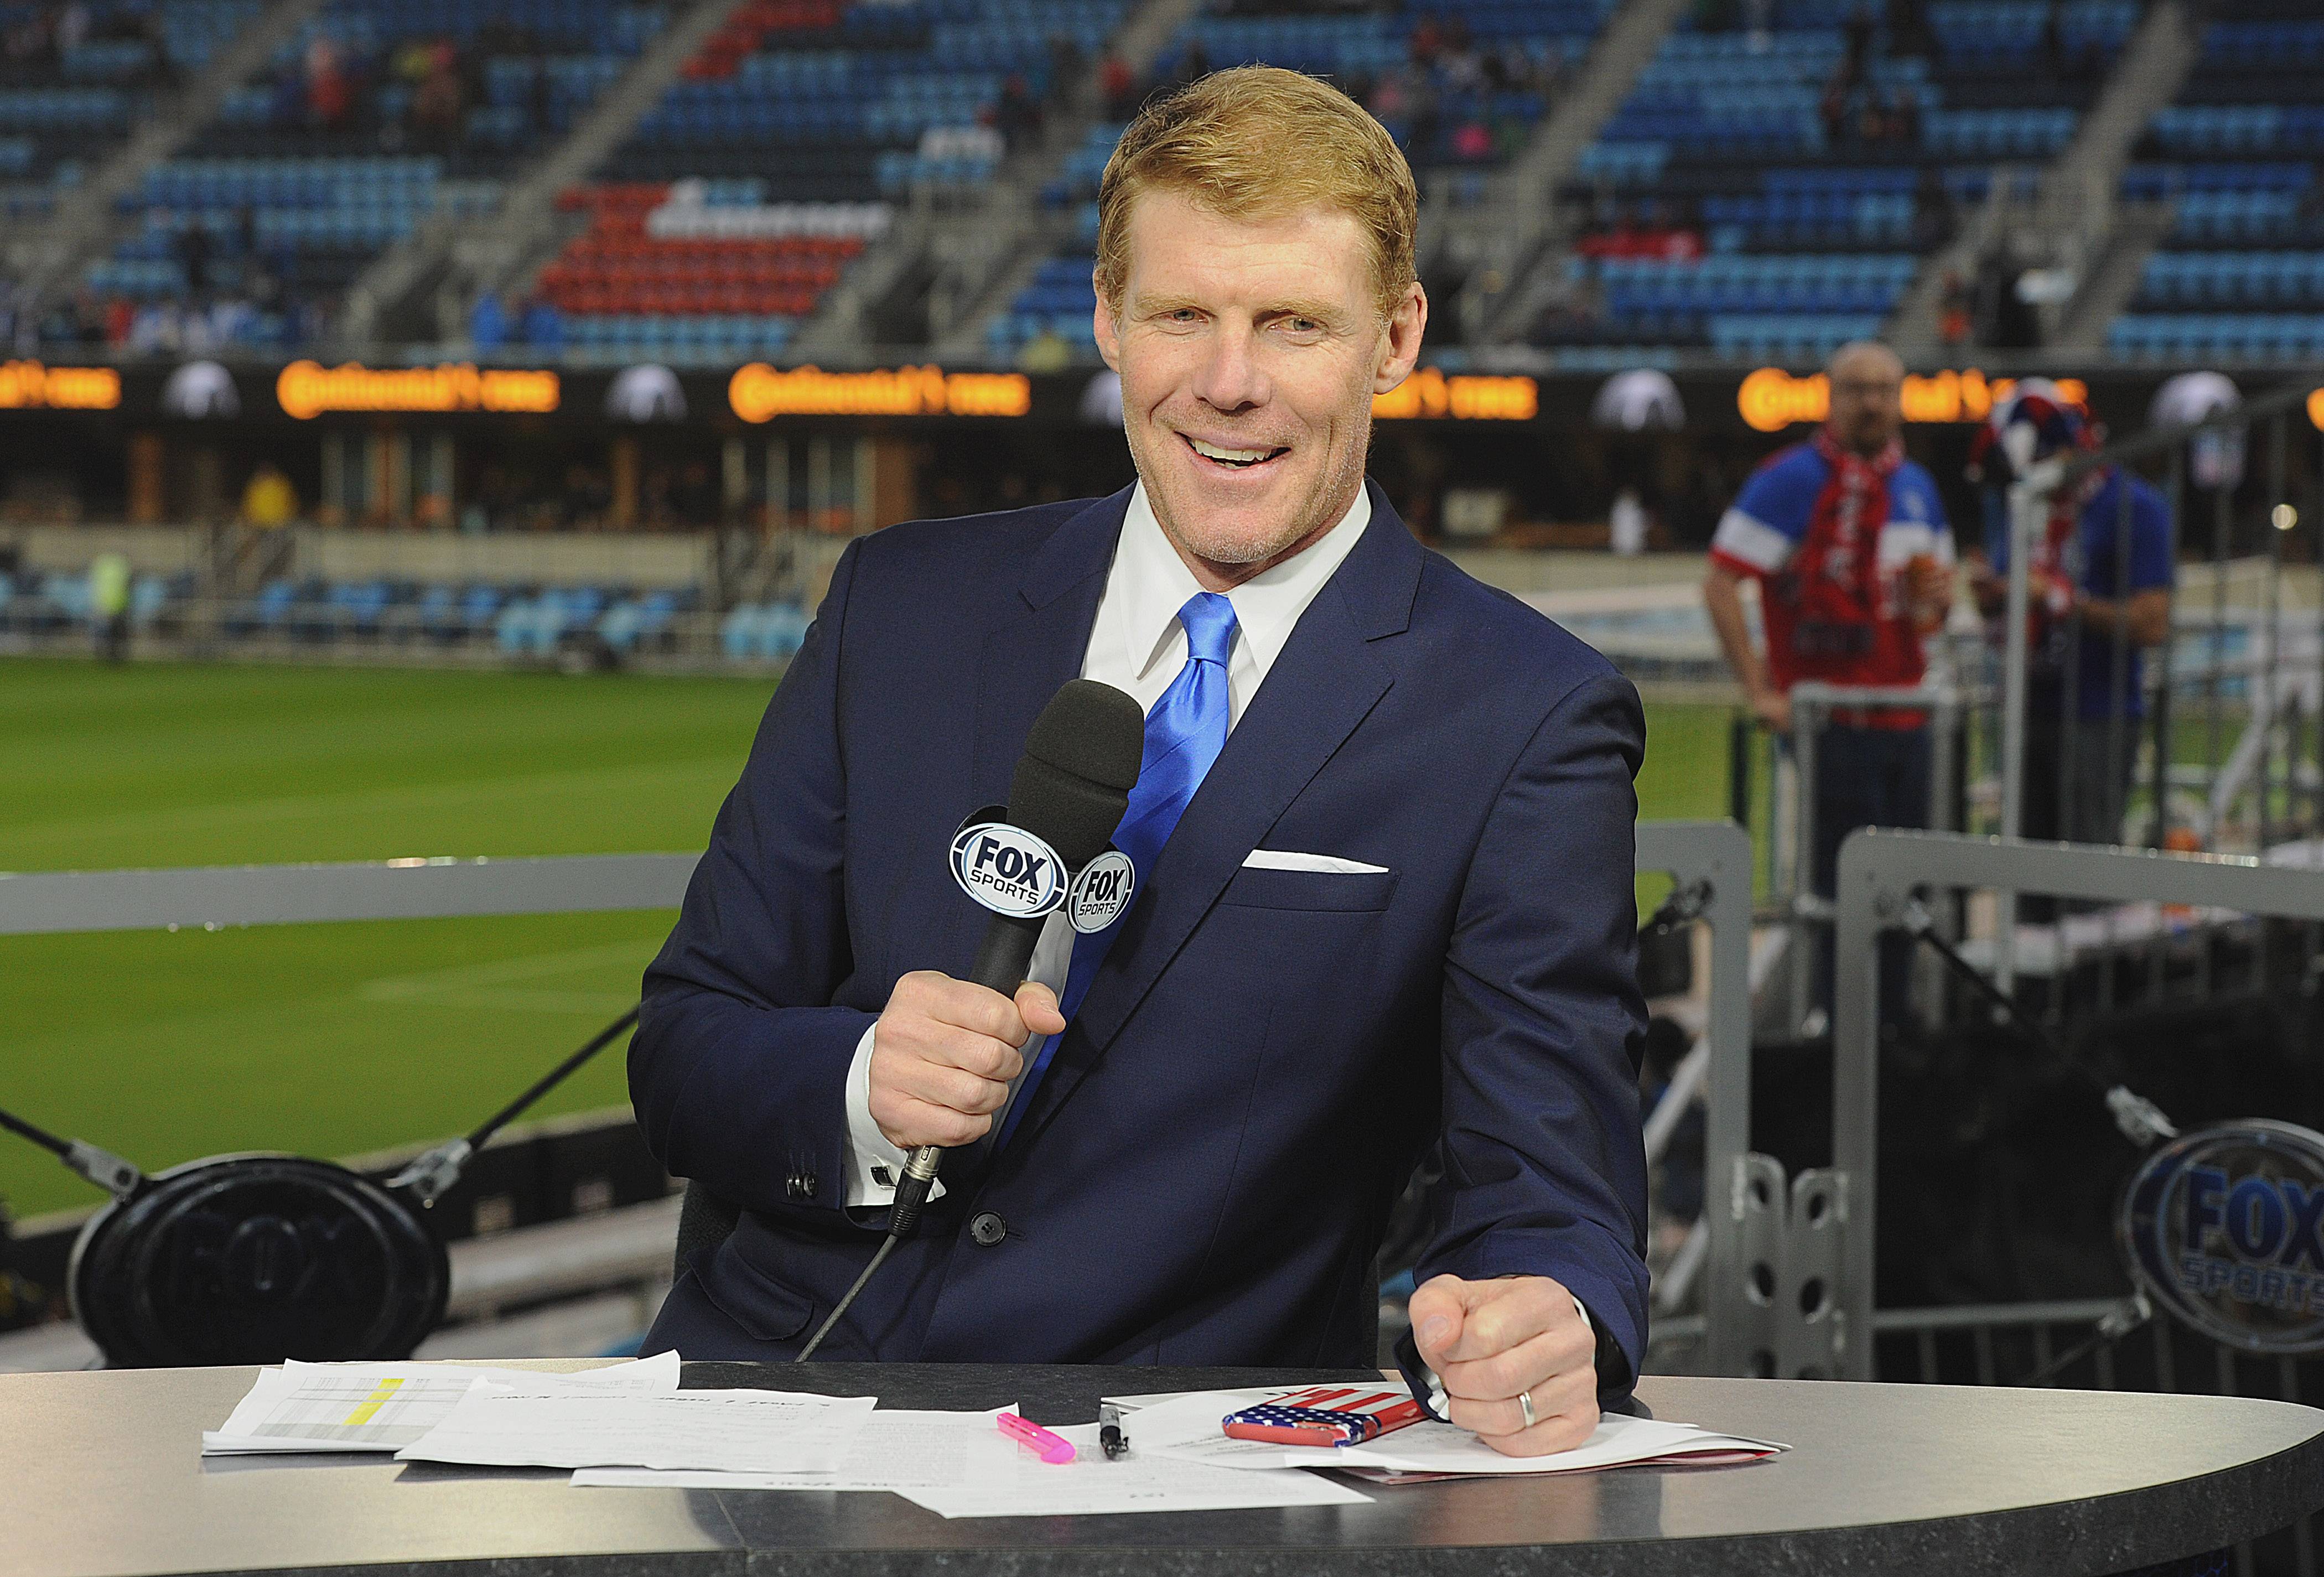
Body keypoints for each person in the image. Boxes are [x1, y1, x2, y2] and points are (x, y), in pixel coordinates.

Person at [631, 66, 1649, 1458]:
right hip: (760, 1415)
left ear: (1397, 338)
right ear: (1109, 318)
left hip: (1168, 1468)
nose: (1231, 385)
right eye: (1184, 316)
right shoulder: (899, 606)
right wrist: (863, 1081)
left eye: (1294, 324)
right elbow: (688, 1045)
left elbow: (1547, 1170)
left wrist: (1552, 1306)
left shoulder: (1526, 713)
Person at [1702, 340, 1953, 911]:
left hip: (1909, 718)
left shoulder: (1918, 487)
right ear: (1830, 398)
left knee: (1906, 896)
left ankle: (1892, 1004)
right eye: (1857, 390)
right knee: (1837, 898)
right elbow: (1719, 584)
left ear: (1902, 400)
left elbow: (1931, 616)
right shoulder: (1789, 479)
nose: (1872, 404)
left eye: (1884, 391)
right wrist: (1761, 691)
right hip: (1828, 720)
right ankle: (1837, 1003)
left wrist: (1938, 600)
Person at [1967, 381, 2171, 849]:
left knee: (2085, 872)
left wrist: (2059, 600)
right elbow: (2016, 589)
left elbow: (2151, 623)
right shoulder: (2030, 504)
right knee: (2024, 870)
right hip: (2027, 707)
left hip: (2098, 713)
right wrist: (1996, 596)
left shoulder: (2133, 506)